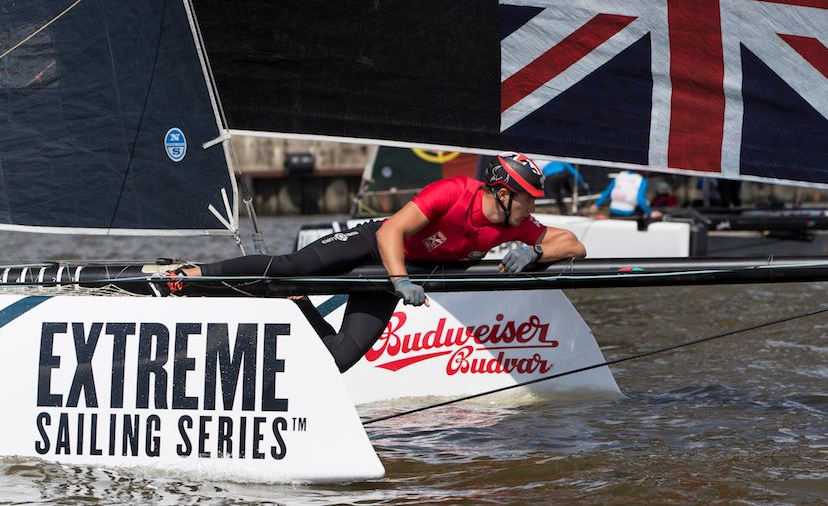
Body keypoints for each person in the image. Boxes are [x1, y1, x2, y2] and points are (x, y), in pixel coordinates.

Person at [159, 152, 587, 372]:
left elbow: (573, 245)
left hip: (397, 276)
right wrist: (399, 281)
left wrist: (534, 251)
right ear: (503, 192)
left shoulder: (517, 225)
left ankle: (296, 306)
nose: (532, 208)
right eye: (528, 198)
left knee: (343, 358)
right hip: (373, 247)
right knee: (288, 266)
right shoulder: (456, 191)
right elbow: (390, 232)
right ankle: (190, 276)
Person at [590, 169, 662, 228]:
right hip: (629, 215)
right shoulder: (641, 180)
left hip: (613, 213)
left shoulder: (619, 176)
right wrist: (650, 213)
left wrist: (596, 205)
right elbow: (640, 200)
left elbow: (607, 193)